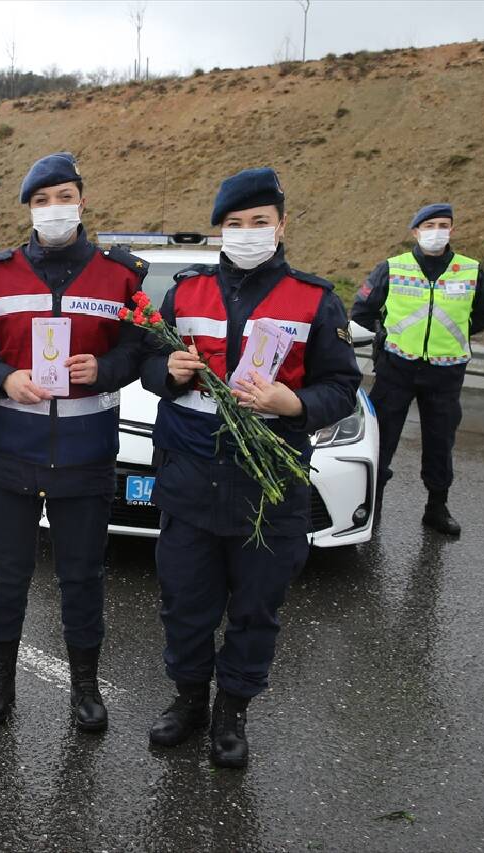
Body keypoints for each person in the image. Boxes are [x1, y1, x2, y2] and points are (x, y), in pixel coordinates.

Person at [141, 167, 360, 767]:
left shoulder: (314, 299)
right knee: (185, 602)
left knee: (256, 607)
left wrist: (295, 404)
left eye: (258, 222)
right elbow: (150, 367)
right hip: (189, 479)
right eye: (234, 224)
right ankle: (188, 701)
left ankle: (231, 712)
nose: (245, 233)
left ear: (281, 226)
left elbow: (343, 385)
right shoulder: (185, 292)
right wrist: (168, 372)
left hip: (268, 485)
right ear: (220, 232)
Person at [0, 152, 146, 733]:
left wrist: (107, 368)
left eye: (63, 196)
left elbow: (138, 352)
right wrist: (2, 378)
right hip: (8, 453)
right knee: (6, 574)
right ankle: (0, 682)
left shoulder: (122, 276)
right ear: (28, 209)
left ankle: (85, 688)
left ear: (82, 201)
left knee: (82, 576)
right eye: (41, 200)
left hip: (86, 454)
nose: (53, 208)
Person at [350, 203, 484, 536]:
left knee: (440, 441)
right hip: (396, 367)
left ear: (452, 231)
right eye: (429, 225)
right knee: (380, 440)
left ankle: (437, 507)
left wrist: (453, 334)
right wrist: (384, 334)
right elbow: (362, 310)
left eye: (443, 225)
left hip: (445, 372)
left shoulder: (470, 270)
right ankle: (373, 507)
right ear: (415, 232)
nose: (437, 231)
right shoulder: (392, 268)